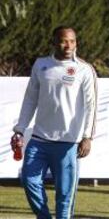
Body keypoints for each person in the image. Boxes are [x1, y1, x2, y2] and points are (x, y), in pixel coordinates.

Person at [10, 26, 97, 219]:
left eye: (72, 41)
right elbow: (30, 99)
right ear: (54, 42)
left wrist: (87, 137)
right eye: (64, 41)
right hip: (39, 139)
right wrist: (19, 129)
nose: (68, 45)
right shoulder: (41, 65)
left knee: (65, 199)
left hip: (68, 143)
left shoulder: (84, 69)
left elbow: (92, 105)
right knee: (29, 180)